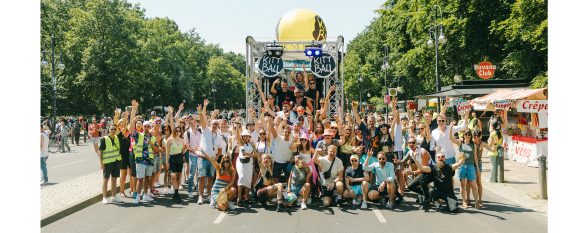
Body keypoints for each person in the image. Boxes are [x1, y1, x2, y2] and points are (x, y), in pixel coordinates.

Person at [128, 100, 159, 204]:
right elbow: (131, 129)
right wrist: (134, 110)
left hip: (149, 160)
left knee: (147, 179)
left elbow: (157, 150)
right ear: (142, 127)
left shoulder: (152, 137)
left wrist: (151, 144)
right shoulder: (139, 135)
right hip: (140, 160)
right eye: (145, 126)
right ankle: (137, 197)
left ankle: (145, 195)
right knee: (140, 179)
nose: (146, 128)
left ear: (150, 127)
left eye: (148, 126)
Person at [396, 137, 433, 210]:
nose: (411, 144)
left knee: (422, 182)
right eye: (409, 143)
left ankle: (427, 203)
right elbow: (403, 162)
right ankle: (428, 195)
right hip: (423, 171)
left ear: (417, 144)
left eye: (413, 143)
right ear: (407, 144)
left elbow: (424, 169)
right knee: (410, 186)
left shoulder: (423, 152)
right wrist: (398, 162)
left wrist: (412, 172)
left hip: (431, 172)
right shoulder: (410, 152)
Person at [198, 99, 223, 205]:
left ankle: (209, 195)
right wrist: (202, 109)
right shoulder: (206, 130)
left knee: (210, 178)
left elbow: (220, 150)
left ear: (218, 126)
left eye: (216, 124)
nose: (214, 126)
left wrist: (216, 159)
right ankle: (200, 196)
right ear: (210, 125)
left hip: (212, 160)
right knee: (201, 178)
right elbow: (202, 119)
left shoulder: (219, 137)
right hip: (203, 159)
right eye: (213, 124)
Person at [449, 124, 480, 209]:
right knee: (463, 185)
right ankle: (464, 202)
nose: (467, 136)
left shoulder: (474, 145)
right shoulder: (460, 143)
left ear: (471, 135)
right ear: (463, 135)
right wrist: (451, 127)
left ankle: (476, 202)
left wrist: (477, 168)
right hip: (462, 166)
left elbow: (475, 157)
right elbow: (451, 138)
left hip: (470, 166)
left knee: (474, 185)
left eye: (469, 134)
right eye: (466, 134)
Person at [198, 146, 237, 210]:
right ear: (222, 162)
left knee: (233, 190)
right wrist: (203, 153)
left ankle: (228, 202)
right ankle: (214, 200)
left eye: (227, 161)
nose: (225, 163)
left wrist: (225, 188)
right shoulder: (219, 167)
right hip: (216, 192)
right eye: (224, 162)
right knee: (224, 208)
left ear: (229, 162)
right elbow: (211, 159)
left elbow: (232, 182)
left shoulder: (232, 170)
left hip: (224, 191)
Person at [165, 107, 188, 203]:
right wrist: (167, 161)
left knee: (179, 176)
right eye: (176, 131)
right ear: (174, 131)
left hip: (179, 158)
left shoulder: (182, 140)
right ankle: (176, 192)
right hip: (172, 159)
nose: (178, 132)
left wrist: (184, 151)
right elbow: (167, 152)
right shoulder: (170, 140)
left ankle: (176, 192)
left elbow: (185, 148)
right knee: (173, 176)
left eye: (179, 131)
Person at [99, 124, 122, 204]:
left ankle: (113, 196)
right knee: (105, 180)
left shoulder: (116, 138)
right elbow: (101, 153)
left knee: (114, 179)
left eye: (114, 129)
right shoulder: (103, 139)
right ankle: (104, 197)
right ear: (109, 130)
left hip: (116, 161)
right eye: (111, 129)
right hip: (107, 162)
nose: (113, 130)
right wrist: (101, 163)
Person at [235, 130, 258, 207]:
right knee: (241, 177)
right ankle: (239, 198)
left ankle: (246, 198)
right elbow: (237, 135)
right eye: (244, 136)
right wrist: (237, 126)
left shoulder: (252, 144)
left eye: (247, 136)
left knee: (248, 179)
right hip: (240, 162)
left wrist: (249, 154)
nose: (245, 137)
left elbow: (256, 155)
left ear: (249, 137)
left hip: (249, 163)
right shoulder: (240, 143)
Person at [470, 129, 492, 208]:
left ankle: (480, 200)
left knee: (478, 182)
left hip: (478, 162)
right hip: (470, 162)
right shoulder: (471, 142)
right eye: (474, 137)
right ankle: (468, 199)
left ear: (480, 137)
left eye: (477, 137)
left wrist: (494, 144)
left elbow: (491, 148)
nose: (475, 138)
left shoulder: (482, 143)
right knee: (470, 182)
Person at [184, 113, 202, 198]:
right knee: (191, 174)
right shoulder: (187, 133)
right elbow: (187, 146)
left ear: (196, 122)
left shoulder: (200, 131)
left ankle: (198, 189)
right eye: (190, 123)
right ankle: (190, 190)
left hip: (201, 155)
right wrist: (194, 151)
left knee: (200, 174)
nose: (192, 124)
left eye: (194, 122)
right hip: (192, 155)